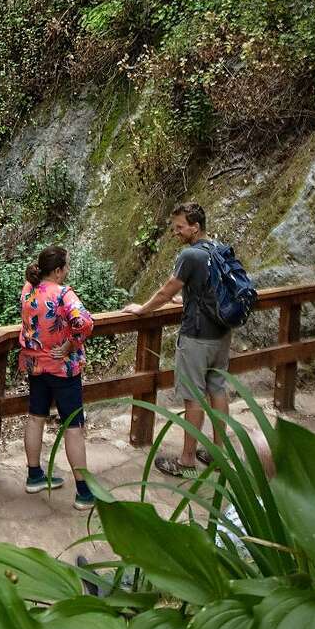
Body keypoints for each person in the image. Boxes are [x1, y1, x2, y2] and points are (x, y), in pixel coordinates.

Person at [121, 202, 230, 478]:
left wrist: (142, 309)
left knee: (192, 398)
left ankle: (187, 462)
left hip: (196, 337)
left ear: (195, 227)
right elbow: (208, 289)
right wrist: (187, 300)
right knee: (217, 390)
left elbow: (165, 290)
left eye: (180, 227)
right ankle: (218, 453)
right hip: (221, 333)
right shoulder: (217, 249)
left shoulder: (190, 255)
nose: (176, 232)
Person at [18, 245, 96, 511]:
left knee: (35, 417)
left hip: (36, 366)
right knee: (73, 427)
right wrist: (72, 345)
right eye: (67, 266)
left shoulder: (29, 291)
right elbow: (85, 322)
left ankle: (34, 475)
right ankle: (84, 493)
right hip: (63, 369)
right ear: (60, 270)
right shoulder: (63, 294)